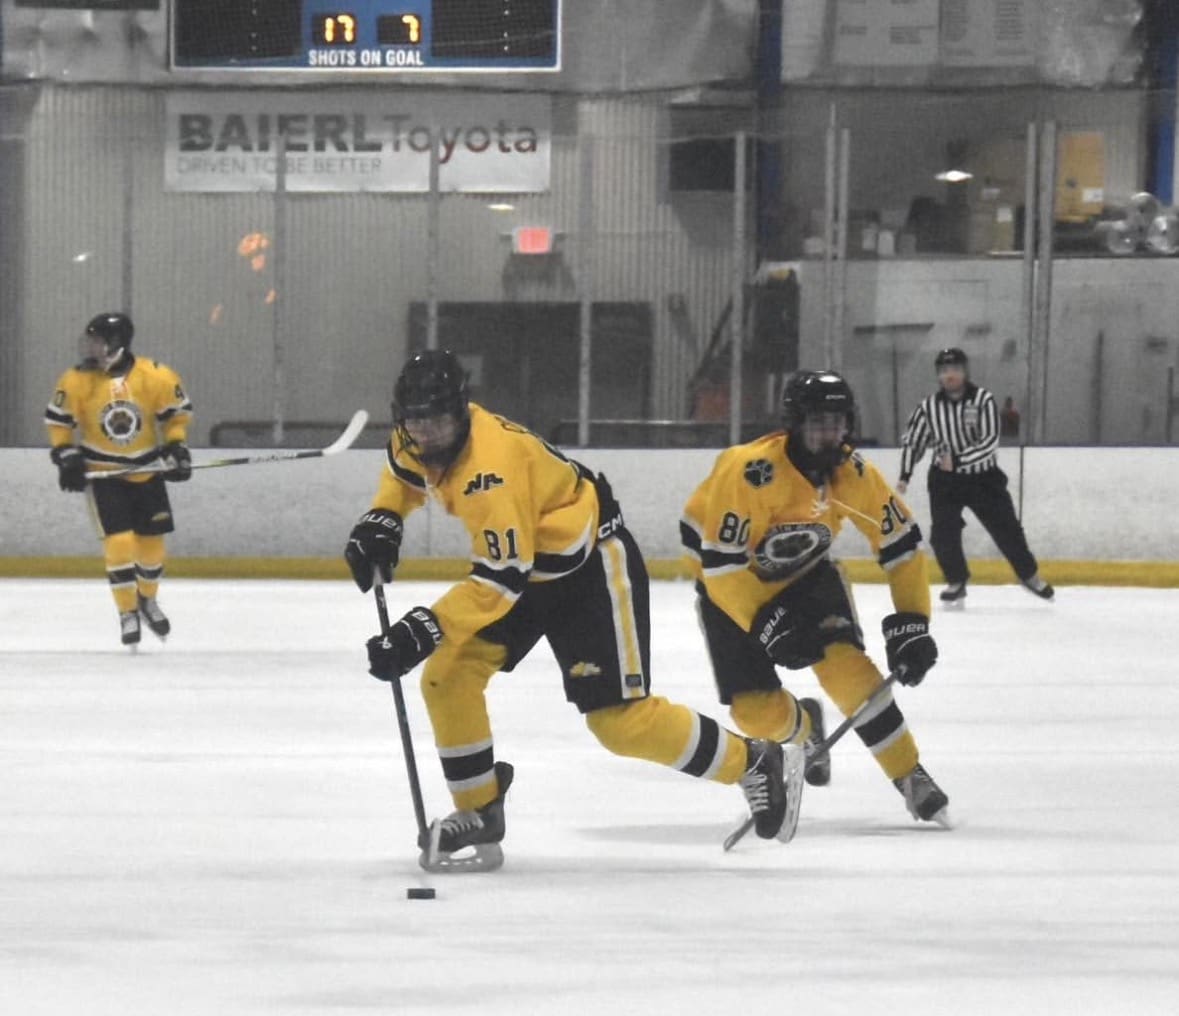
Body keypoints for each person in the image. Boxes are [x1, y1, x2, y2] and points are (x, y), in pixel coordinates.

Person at [343, 349, 805, 872]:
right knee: (447, 676)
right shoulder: (413, 438)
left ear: (461, 411)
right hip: (524, 568)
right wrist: (384, 517)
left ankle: (754, 762)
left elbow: (499, 581)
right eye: (415, 422)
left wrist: (424, 628)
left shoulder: (492, 469)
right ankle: (479, 811)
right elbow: (405, 477)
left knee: (620, 723)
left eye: (438, 421)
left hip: (589, 568)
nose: (426, 434)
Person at [680, 369, 950, 826]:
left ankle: (909, 774)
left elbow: (901, 545)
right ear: (795, 424)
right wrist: (765, 624)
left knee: (847, 670)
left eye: (838, 423)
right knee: (755, 713)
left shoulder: (854, 474)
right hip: (731, 588)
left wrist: (913, 621)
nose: (830, 435)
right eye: (819, 423)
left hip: (804, 577)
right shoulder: (750, 471)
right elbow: (721, 567)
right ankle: (805, 730)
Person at [44, 312, 194, 647]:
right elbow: (59, 422)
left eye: (98, 341)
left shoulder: (155, 375)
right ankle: (127, 611)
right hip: (103, 473)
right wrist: (66, 455)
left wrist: (177, 447)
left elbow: (176, 416)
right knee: (121, 543)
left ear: (117, 343)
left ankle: (147, 600)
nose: (91, 348)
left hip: (147, 470)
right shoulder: (76, 379)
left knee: (152, 549)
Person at [897, 348, 1053, 606]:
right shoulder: (928, 407)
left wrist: (958, 460)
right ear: (938, 375)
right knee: (943, 533)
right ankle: (956, 581)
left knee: (1007, 529)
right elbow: (914, 441)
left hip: (983, 479)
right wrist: (906, 473)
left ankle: (1029, 575)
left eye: (955, 369)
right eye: (944, 371)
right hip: (945, 480)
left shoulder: (983, 400)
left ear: (965, 372)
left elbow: (989, 441)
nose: (950, 375)